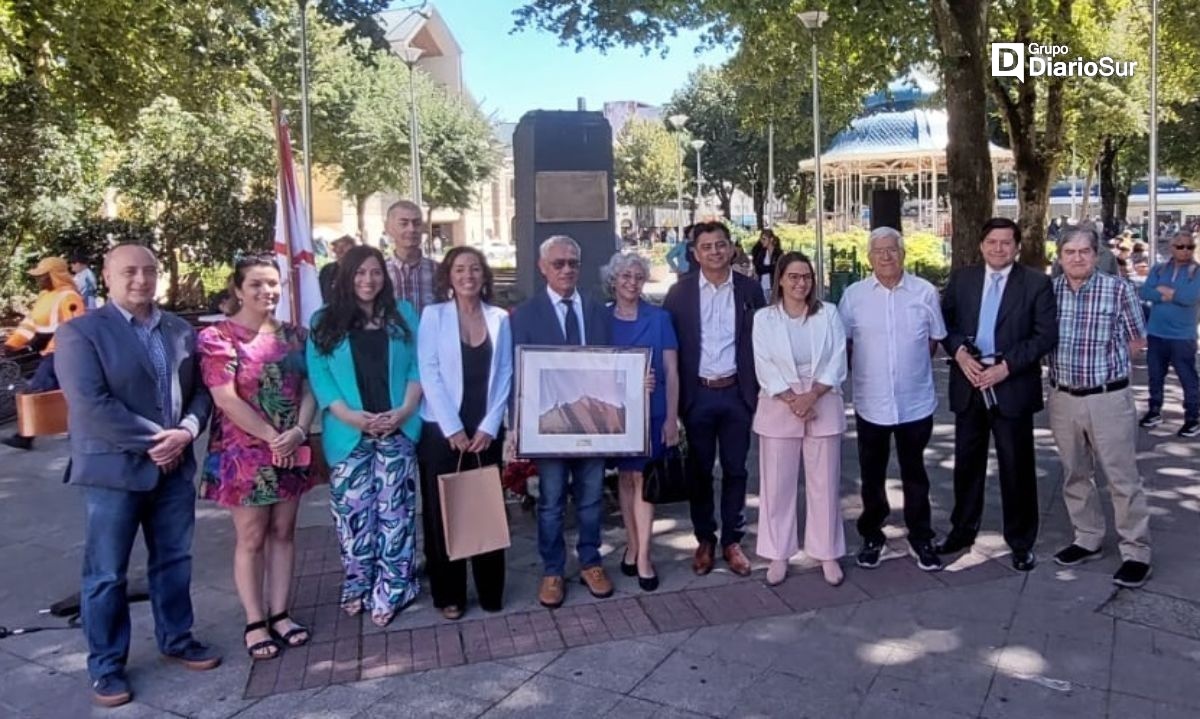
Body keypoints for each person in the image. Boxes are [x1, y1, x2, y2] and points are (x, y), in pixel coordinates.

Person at [54, 244, 219, 708]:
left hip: (174, 468)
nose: (140, 280)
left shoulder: (180, 330)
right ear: (107, 276)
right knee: (106, 574)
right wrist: (159, 442)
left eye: (149, 271)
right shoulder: (82, 333)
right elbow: (91, 406)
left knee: (174, 560)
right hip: (114, 472)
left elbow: (201, 392)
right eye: (129, 271)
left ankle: (177, 638)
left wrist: (186, 432)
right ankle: (106, 664)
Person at [197, 254, 316, 660]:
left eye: (272, 283)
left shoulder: (296, 336)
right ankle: (254, 620)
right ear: (238, 289)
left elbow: (309, 389)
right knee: (251, 537)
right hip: (244, 453)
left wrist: (298, 431)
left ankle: (281, 612)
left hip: (290, 448)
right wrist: (271, 436)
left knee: (284, 532)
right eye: (256, 285)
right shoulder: (219, 338)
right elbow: (225, 398)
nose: (267, 291)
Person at [308, 245, 424, 627]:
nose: (368, 280)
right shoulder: (324, 320)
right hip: (349, 432)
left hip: (397, 427)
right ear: (346, 277)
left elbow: (418, 369)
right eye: (359, 273)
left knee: (396, 514)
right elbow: (321, 378)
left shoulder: (402, 314)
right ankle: (359, 581)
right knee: (352, 514)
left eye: (375, 272)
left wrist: (404, 411)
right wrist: (352, 418)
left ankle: (395, 586)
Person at [938, 218, 1057, 571]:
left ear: (1017, 246)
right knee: (966, 466)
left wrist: (1006, 367)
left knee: (1016, 467)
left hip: (1011, 385)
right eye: (992, 241)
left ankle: (1020, 541)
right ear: (981, 244)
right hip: (970, 385)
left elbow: (1045, 335)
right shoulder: (963, 279)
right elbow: (944, 323)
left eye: (1006, 242)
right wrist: (958, 351)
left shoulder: (1036, 283)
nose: (998, 248)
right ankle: (962, 530)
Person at [510, 235, 613, 608]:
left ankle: (590, 561)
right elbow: (517, 374)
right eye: (558, 264)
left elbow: (611, 363)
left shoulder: (596, 308)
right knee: (551, 501)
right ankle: (553, 569)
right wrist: (515, 424)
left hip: (591, 425)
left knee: (590, 499)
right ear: (542, 267)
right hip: (548, 425)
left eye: (573, 263)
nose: (567, 269)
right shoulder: (525, 315)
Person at [1047, 228, 1152, 588]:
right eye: (1069, 252)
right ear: (1059, 257)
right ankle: (1088, 537)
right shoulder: (1050, 292)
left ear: (1096, 255)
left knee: (1122, 477)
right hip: (1063, 398)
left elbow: (1137, 341)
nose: (1077, 258)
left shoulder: (1118, 289)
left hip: (1108, 397)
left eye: (1084, 252)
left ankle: (1136, 551)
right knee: (1075, 473)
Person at [839, 227, 946, 572]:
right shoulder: (854, 296)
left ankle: (921, 536)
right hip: (871, 402)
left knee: (915, 472)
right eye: (879, 251)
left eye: (892, 250)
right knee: (872, 474)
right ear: (869, 257)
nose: (886, 257)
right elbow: (845, 343)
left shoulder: (925, 292)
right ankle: (872, 535)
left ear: (903, 254)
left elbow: (934, 340)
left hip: (915, 401)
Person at [662, 221, 766, 577]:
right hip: (698, 395)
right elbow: (670, 348)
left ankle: (732, 541)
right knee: (700, 472)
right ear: (695, 253)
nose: (715, 252)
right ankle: (705, 538)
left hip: (737, 394)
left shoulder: (751, 291)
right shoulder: (680, 294)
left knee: (737, 470)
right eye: (707, 247)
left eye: (721, 245)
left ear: (732, 248)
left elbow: (762, 343)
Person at [416, 246, 512, 620]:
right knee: (444, 512)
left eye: (475, 268)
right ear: (449, 276)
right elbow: (429, 372)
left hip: (485, 430)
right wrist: (451, 428)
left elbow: (505, 373)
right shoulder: (433, 316)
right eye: (460, 269)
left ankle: (490, 591)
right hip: (442, 430)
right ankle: (450, 594)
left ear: (484, 276)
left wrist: (490, 425)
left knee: (485, 507)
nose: (468, 275)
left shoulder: (500, 318)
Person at [753, 251, 847, 586]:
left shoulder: (829, 314)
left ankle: (827, 552)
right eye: (793, 276)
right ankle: (778, 553)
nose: (800, 283)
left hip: (821, 399)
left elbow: (837, 360)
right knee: (777, 484)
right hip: (780, 404)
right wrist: (793, 399)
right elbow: (763, 364)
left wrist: (812, 395)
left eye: (806, 276)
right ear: (780, 279)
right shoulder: (765, 319)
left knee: (824, 482)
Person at [602, 251, 680, 592]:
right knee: (625, 478)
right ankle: (631, 545)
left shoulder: (659, 318)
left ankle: (645, 554)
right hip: (616, 414)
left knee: (643, 480)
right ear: (613, 281)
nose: (631, 283)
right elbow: (594, 367)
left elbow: (672, 372)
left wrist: (673, 419)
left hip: (654, 410)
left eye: (637, 276)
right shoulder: (601, 320)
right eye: (625, 277)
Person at [2, 256, 86, 450]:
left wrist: (48, 347)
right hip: (51, 353)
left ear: (54, 275)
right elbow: (29, 325)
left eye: (43, 275)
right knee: (68, 393)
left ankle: (25, 435)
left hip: (64, 353)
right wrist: (11, 345)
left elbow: (74, 327)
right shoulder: (44, 297)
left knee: (37, 391)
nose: (39, 280)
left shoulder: (69, 297)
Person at [1138, 230, 1200, 437]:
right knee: (1155, 376)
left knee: (1187, 378)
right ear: (1172, 248)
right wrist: (1167, 295)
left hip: (1183, 336)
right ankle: (1154, 410)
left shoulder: (1197, 272)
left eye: (1189, 246)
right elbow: (1145, 292)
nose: (1185, 250)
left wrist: (1166, 292)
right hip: (1156, 333)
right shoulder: (1158, 269)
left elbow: (1189, 298)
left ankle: (1192, 417)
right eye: (1180, 246)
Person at [384, 200, 440, 315]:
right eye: (404, 224)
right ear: (389, 228)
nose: (412, 229)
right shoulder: (380, 272)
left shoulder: (439, 271)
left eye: (417, 223)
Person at [319, 235, 356, 302]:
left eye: (345, 246)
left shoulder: (358, 270)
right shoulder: (327, 270)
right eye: (338, 247)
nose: (340, 250)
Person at [751, 229, 781, 300]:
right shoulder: (762, 253)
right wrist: (771, 267)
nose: (762, 241)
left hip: (774, 285)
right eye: (761, 239)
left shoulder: (778, 253)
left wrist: (767, 268)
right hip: (763, 284)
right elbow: (759, 268)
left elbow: (778, 268)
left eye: (764, 239)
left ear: (771, 239)